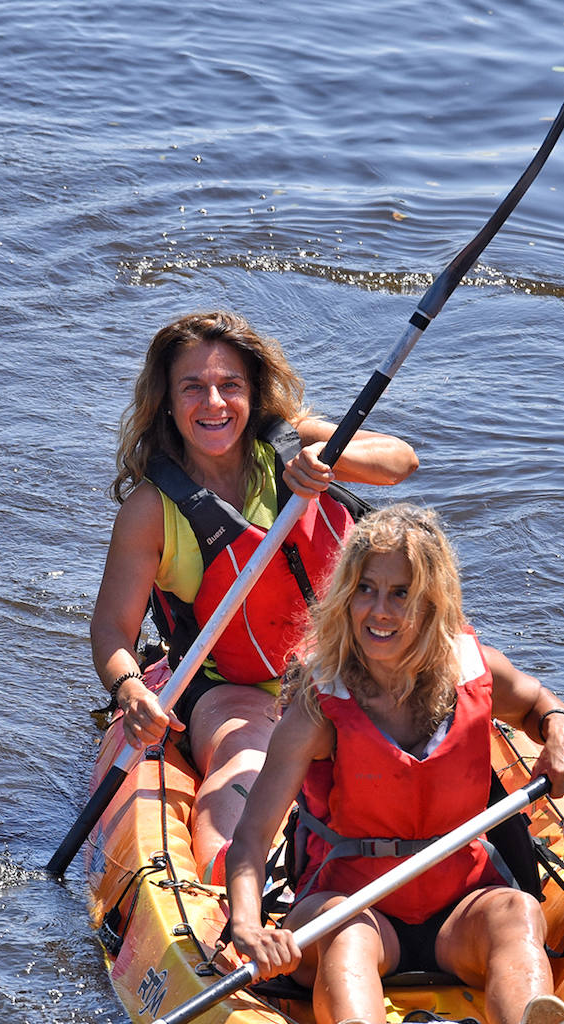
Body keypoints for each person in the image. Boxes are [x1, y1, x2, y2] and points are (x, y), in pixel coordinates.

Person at [226, 504, 564, 1024]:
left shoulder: (474, 670)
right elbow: (250, 842)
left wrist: (562, 729)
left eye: (401, 593)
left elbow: (538, 702)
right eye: (366, 589)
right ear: (346, 597)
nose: (380, 609)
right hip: (354, 906)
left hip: (462, 908)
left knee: (517, 909)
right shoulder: (318, 708)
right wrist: (246, 925)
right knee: (343, 931)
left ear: (431, 603)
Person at [90, 309, 417, 882]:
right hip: (231, 688)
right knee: (249, 763)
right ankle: (233, 881)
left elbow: (400, 461)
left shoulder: (294, 444)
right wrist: (129, 687)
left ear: (252, 394)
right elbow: (113, 632)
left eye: (230, 386)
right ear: (167, 401)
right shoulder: (149, 511)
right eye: (193, 387)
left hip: (340, 665)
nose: (213, 403)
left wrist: (328, 460)